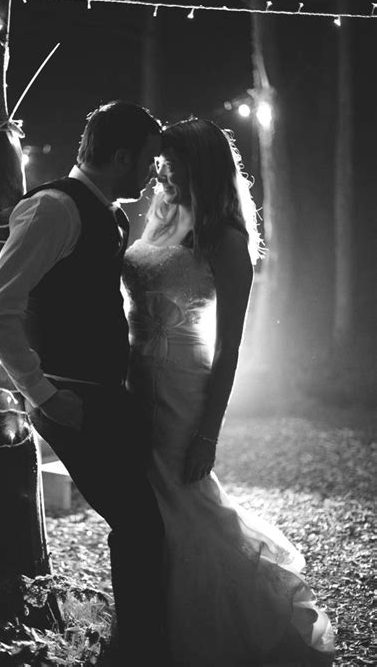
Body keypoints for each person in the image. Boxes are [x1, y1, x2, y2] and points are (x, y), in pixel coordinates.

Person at [122, 117, 335, 666]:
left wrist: (207, 434)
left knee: (185, 502)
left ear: (199, 165)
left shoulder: (225, 239)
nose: (159, 170)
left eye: (170, 161)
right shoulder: (161, 219)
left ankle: (221, 628)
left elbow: (231, 346)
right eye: (159, 160)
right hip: (133, 378)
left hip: (181, 387)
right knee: (144, 507)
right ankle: (155, 621)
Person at [0, 100, 170, 666]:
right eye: (148, 161)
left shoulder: (108, 213)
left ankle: (139, 642)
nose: (152, 173)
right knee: (138, 523)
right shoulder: (53, 210)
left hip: (105, 394)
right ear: (119, 156)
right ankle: (136, 652)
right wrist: (44, 395)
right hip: (69, 395)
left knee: (145, 519)